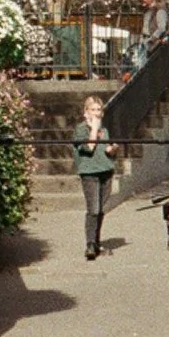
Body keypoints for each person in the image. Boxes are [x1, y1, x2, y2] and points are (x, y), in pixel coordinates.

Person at [71, 94, 118, 261]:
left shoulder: (104, 131)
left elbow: (107, 150)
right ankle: (90, 244)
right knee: (93, 209)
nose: (97, 113)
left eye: (99, 110)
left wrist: (112, 150)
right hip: (90, 172)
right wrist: (93, 128)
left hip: (106, 170)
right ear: (86, 112)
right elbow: (89, 147)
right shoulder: (81, 129)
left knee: (101, 209)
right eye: (93, 110)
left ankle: (96, 242)